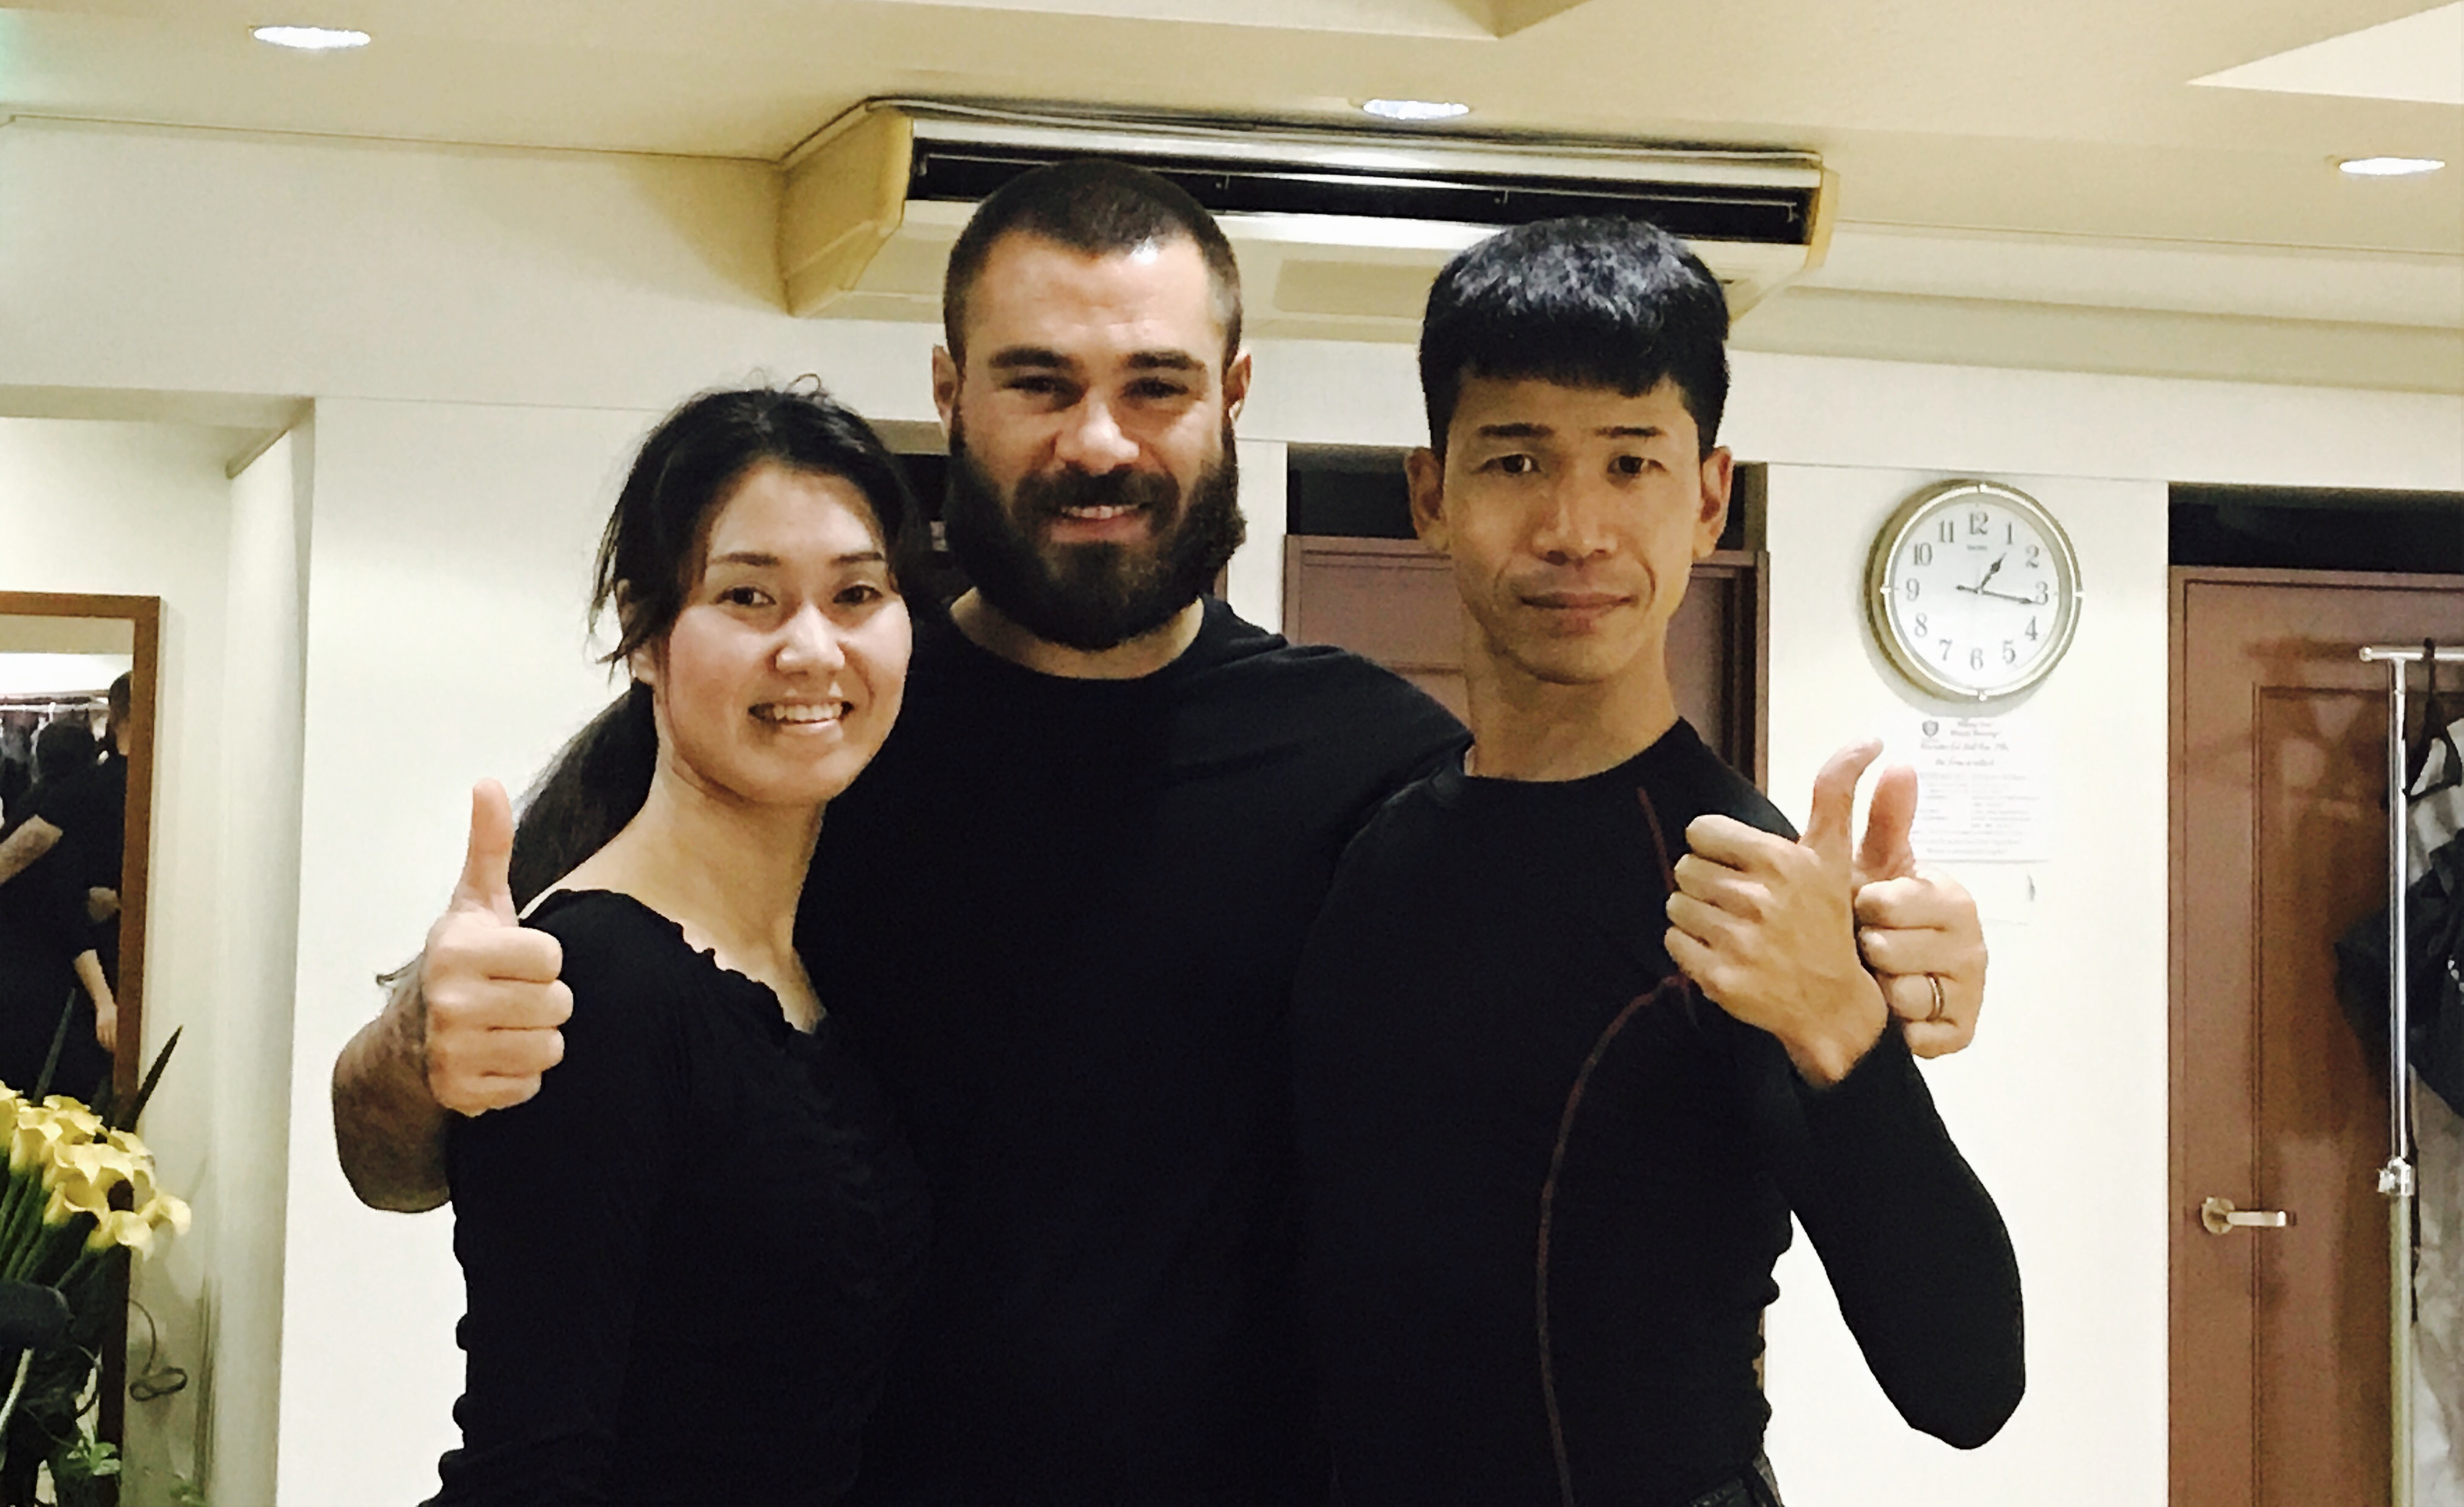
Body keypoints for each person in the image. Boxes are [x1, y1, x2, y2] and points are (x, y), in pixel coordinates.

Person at [334, 160, 1993, 1505]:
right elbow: (403, 1140)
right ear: (950, 393)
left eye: (1155, 385)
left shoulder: (1379, 767)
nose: (1100, 441)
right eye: (1039, 382)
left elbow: (1593, 988)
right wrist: (415, 1049)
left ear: (1232, 398)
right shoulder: (801, 735)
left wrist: (1887, 983)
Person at [1291, 216, 2025, 1507]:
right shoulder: (1371, 832)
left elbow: (1966, 1380)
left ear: (1707, 497)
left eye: (1631, 461)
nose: (1574, 527)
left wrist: (1844, 1026)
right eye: (1516, 459)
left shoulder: (1749, 896)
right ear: (1431, 493)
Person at [424, 384, 932, 1506]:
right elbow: (531, 1466)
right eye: (748, 596)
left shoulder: (809, 963)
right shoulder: (595, 984)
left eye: (856, 593)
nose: (812, 647)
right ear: (645, 633)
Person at [0, 716, 115, 1094]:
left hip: (14, 972)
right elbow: (68, 914)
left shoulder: (26, 814)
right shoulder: (75, 820)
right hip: (53, 980)